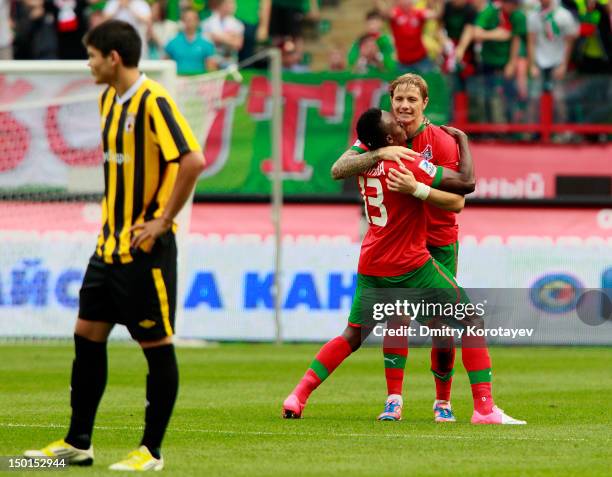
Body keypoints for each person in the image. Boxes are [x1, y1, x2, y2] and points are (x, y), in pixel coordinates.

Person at [24, 20, 205, 471]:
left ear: (114, 58)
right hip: (107, 247)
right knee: (86, 336)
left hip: (145, 250)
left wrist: (162, 221)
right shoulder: (108, 99)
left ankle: (151, 451)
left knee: (156, 345)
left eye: (91, 56)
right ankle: (78, 443)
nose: (88, 64)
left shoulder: (154, 101)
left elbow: (193, 159)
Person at [327, 74, 525, 425]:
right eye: (398, 99)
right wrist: (381, 151)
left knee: (444, 326)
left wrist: (419, 187)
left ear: (424, 104)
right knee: (397, 318)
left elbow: (460, 198)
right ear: (391, 103)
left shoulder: (442, 140)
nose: (404, 106)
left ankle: (443, 402)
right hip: (402, 245)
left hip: (439, 239)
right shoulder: (377, 139)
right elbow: (338, 169)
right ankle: (394, 401)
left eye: (411, 100)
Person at [281, 107, 485, 421]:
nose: (400, 117)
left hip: (372, 262)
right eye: (393, 118)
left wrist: (379, 156)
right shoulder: (407, 160)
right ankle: (481, 407)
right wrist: (464, 143)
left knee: (352, 335)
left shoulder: (365, 158)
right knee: (469, 321)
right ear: (389, 137)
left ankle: (298, 395)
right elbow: (465, 183)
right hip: (411, 263)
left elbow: (341, 167)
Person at [376, 0, 442, 73]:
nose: (406, 2)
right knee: (404, 83)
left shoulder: (418, 13)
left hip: (422, 60)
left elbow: (437, 15)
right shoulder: (395, 13)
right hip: (403, 62)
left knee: (428, 82)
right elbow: (384, 14)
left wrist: (439, 2)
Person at [165, 8, 217, 75]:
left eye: (192, 19)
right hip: (178, 80)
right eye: (187, 19)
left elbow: (211, 67)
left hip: (199, 81)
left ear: (198, 21)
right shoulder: (173, 42)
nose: (189, 22)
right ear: (182, 21)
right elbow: (165, 63)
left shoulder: (206, 43)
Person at [347, 10, 396, 74]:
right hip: (364, 75)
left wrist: (378, 55)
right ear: (366, 24)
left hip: (382, 76)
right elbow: (351, 61)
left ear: (381, 23)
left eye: (375, 23)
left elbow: (391, 63)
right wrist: (362, 56)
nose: (372, 26)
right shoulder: (359, 41)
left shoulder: (387, 41)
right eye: (370, 23)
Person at [201, 0, 244, 68]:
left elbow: (238, 44)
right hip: (212, 59)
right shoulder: (207, 23)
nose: (232, 6)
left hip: (230, 59)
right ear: (220, 5)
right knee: (210, 62)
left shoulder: (238, 24)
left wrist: (217, 37)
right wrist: (230, 37)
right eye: (228, 3)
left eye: (233, 4)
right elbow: (205, 44)